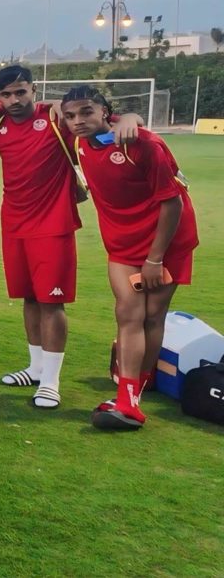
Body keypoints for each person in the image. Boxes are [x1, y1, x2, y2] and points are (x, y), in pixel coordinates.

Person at [60, 86, 198, 429]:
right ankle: (128, 399)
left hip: (167, 242)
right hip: (122, 244)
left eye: (86, 112)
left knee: (152, 316)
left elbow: (173, 203)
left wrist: (155, 259)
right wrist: (130, 116)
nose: (78, 121)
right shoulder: (79, 142)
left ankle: (138, 384)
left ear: (105, 112)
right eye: (70, 116)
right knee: (128, 313)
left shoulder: (144, 145)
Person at [0, 66, 82, 409]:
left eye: (21, 92)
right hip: (13, 224)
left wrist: (129, 117)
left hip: (52, 225)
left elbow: (101, 121)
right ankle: (36, 367)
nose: (14, 100)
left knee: (51, 302)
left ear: (34, 90)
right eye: (7, 94)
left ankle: (51, 382)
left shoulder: (56, 119)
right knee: (29, 297)